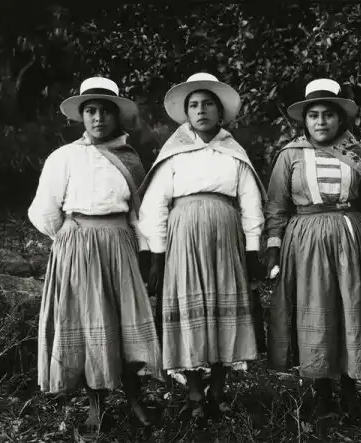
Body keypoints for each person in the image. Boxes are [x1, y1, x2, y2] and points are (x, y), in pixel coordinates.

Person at [28, 77, 163, 442]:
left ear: (117, 116)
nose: (98, 118)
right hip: (79, 246)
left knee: (123, 323)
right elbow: (43, 210)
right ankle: (95, 405)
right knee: (90, 322)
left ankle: (134, 398)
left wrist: (146, 252)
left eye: (105, 111)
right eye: (91, 111)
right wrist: (70, 238)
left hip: (120, 245)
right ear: (82, 116)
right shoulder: (65, 157)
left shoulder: (130, 159)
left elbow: (140, 213)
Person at [137, 73, 266, 419]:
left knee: (224, 307)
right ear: (186, 113)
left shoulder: (233, 153)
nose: (201, 110)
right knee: (188, 307)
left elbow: (251, 203)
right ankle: (194, 392)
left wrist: (253, 248)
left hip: (225, 237)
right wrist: (157, 254)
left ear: (220, 112)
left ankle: (218, 389)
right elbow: (155, 205)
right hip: (184, 238)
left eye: (208, 104)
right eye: (193, 105)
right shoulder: (174, 154)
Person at [264, 78, 361, 419]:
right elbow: (277, 205)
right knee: (315, 309)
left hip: (350, 239)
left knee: (350, 308)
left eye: (328, 114)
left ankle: (349, 391)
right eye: (313, 115)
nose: (321, 122)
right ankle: (321, 393)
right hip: (306, 242)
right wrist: (274, 246)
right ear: (305, 120)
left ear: (340, 118)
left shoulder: (357, 154)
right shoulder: (291, 155)